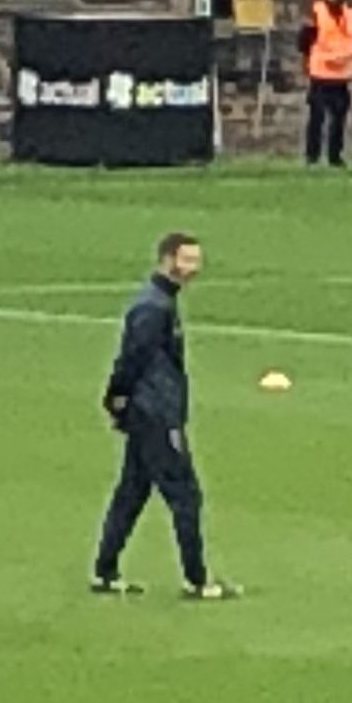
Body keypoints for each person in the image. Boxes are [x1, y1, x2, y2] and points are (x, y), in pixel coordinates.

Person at [94, 230, 235, 600]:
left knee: (132, 492)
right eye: (187, 260)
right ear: (167, 259)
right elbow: (133, 357)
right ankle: (197, 580)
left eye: (196, 260)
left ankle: (104, 572)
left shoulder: (161, 302)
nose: (194, 268)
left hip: (149, 410)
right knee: (185, 495)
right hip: (156, 414)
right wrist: (117, 395)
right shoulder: (153, 307)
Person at [299, 0, 352, 167]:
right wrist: (310, 61)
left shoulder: (350, 13)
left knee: (339, 119)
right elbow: (304, 41)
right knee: (317, 117)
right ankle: (312, 156)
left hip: (342, 75)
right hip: (321, 73)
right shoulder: (316, 11)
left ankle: (335, 156)